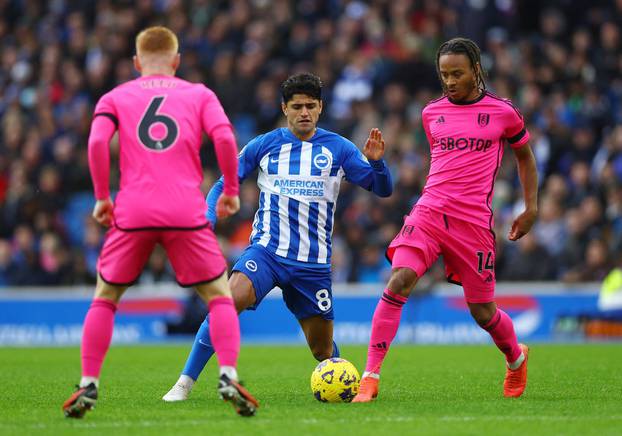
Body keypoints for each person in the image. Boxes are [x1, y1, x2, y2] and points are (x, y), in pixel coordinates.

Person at [62, 26, 258, 418]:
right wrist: (232, 189)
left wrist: (102, 196)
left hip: (133, 209)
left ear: (136, 63)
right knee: (219, 296)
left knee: (106, 297)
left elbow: (98, 142)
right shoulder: (199, 94)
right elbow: (223, 136)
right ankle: (228, 373)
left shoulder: (116, 96)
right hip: (185, 209)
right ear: (177, 61)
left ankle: (88, 383)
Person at [163, 72, 393, 401]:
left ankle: (342, 380)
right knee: (226, 303)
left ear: (320, 108)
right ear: (284, 108)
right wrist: (208, 215)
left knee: (322, 350)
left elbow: (381, 189)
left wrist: (378, 164)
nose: (303, 112)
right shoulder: (264, 145)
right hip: (267, 252)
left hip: (312, 265)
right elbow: (223, 182)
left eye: (310, 106)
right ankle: (183, 384)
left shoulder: (339, 149)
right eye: (297, 106)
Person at [352, 37, 538, 403]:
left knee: (483, 312)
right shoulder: (430, 113)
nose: (450, 81)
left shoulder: (503, 112)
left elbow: (525, 158)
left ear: (476, 71)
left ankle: (516, 358)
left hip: (473, 224)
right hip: (429, 212)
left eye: (457, 73)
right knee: (399, 280)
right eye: (444, 74)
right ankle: (369, 377)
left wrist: (530, 208)